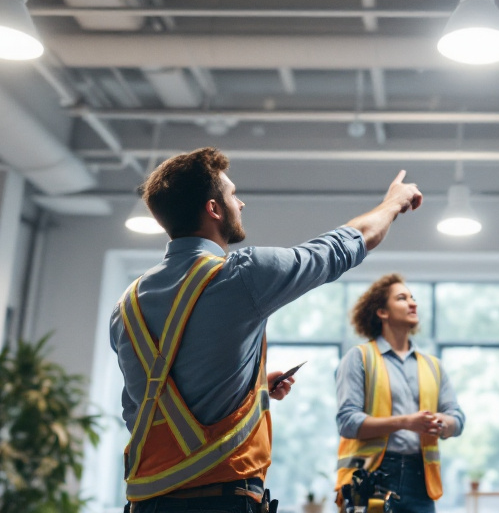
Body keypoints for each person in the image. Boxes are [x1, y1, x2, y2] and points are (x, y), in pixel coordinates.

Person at [110, 147, 422, 513]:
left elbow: (146, 401)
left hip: (144, 501)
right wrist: (394, 203)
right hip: (222, 499)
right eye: (232, 194)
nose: (240, 204)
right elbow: (344, 245)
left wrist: (252, 389)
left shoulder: (127, 305)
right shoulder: (241, 275)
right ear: (213, 208)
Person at [335, 274, 464, 513]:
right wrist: (406, 422)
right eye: (402, 298)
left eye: (413, 298)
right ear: (382, 312)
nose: (413, 303)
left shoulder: (433, 366)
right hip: (369, 479)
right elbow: (347, 422)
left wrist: (442, 423)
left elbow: (457, 418)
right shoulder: (360, 358)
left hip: (421, 480)